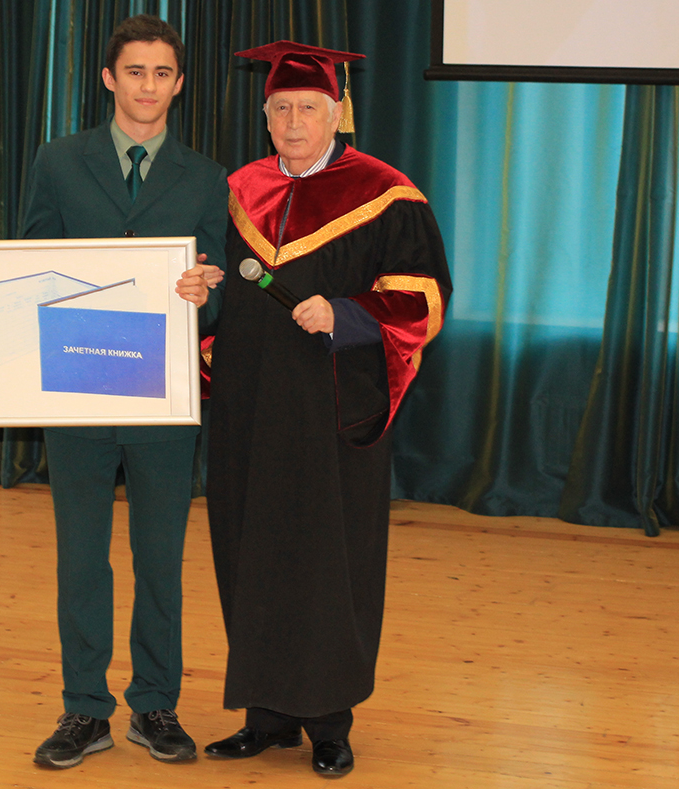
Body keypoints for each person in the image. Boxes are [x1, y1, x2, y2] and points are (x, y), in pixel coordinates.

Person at [0, 15, 227, 769]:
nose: (148, 86)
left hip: (162, 403)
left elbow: (219, 287)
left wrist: (206, 290)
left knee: (160, 562)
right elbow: (28, 262)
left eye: (162, 73)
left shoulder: (206, 177)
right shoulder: (59, 161)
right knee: (82, 561)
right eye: (135, 71)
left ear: (179, 85)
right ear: (108, 79)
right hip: (76, 394)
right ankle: (85, 709)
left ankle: (154, 704)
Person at [202, 41, 452, 777]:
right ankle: (266, 714)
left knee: (327, 564)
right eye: (280, 108)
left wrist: (346, 313)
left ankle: (330, 724)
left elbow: (423, 296)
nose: (293, 122)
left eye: (308, 107)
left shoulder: (386, 194)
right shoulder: (238, 190)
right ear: (264, 115)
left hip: (332, 411)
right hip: (249, 408)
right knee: (249, 551)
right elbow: (212, 296)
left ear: (338, 111)